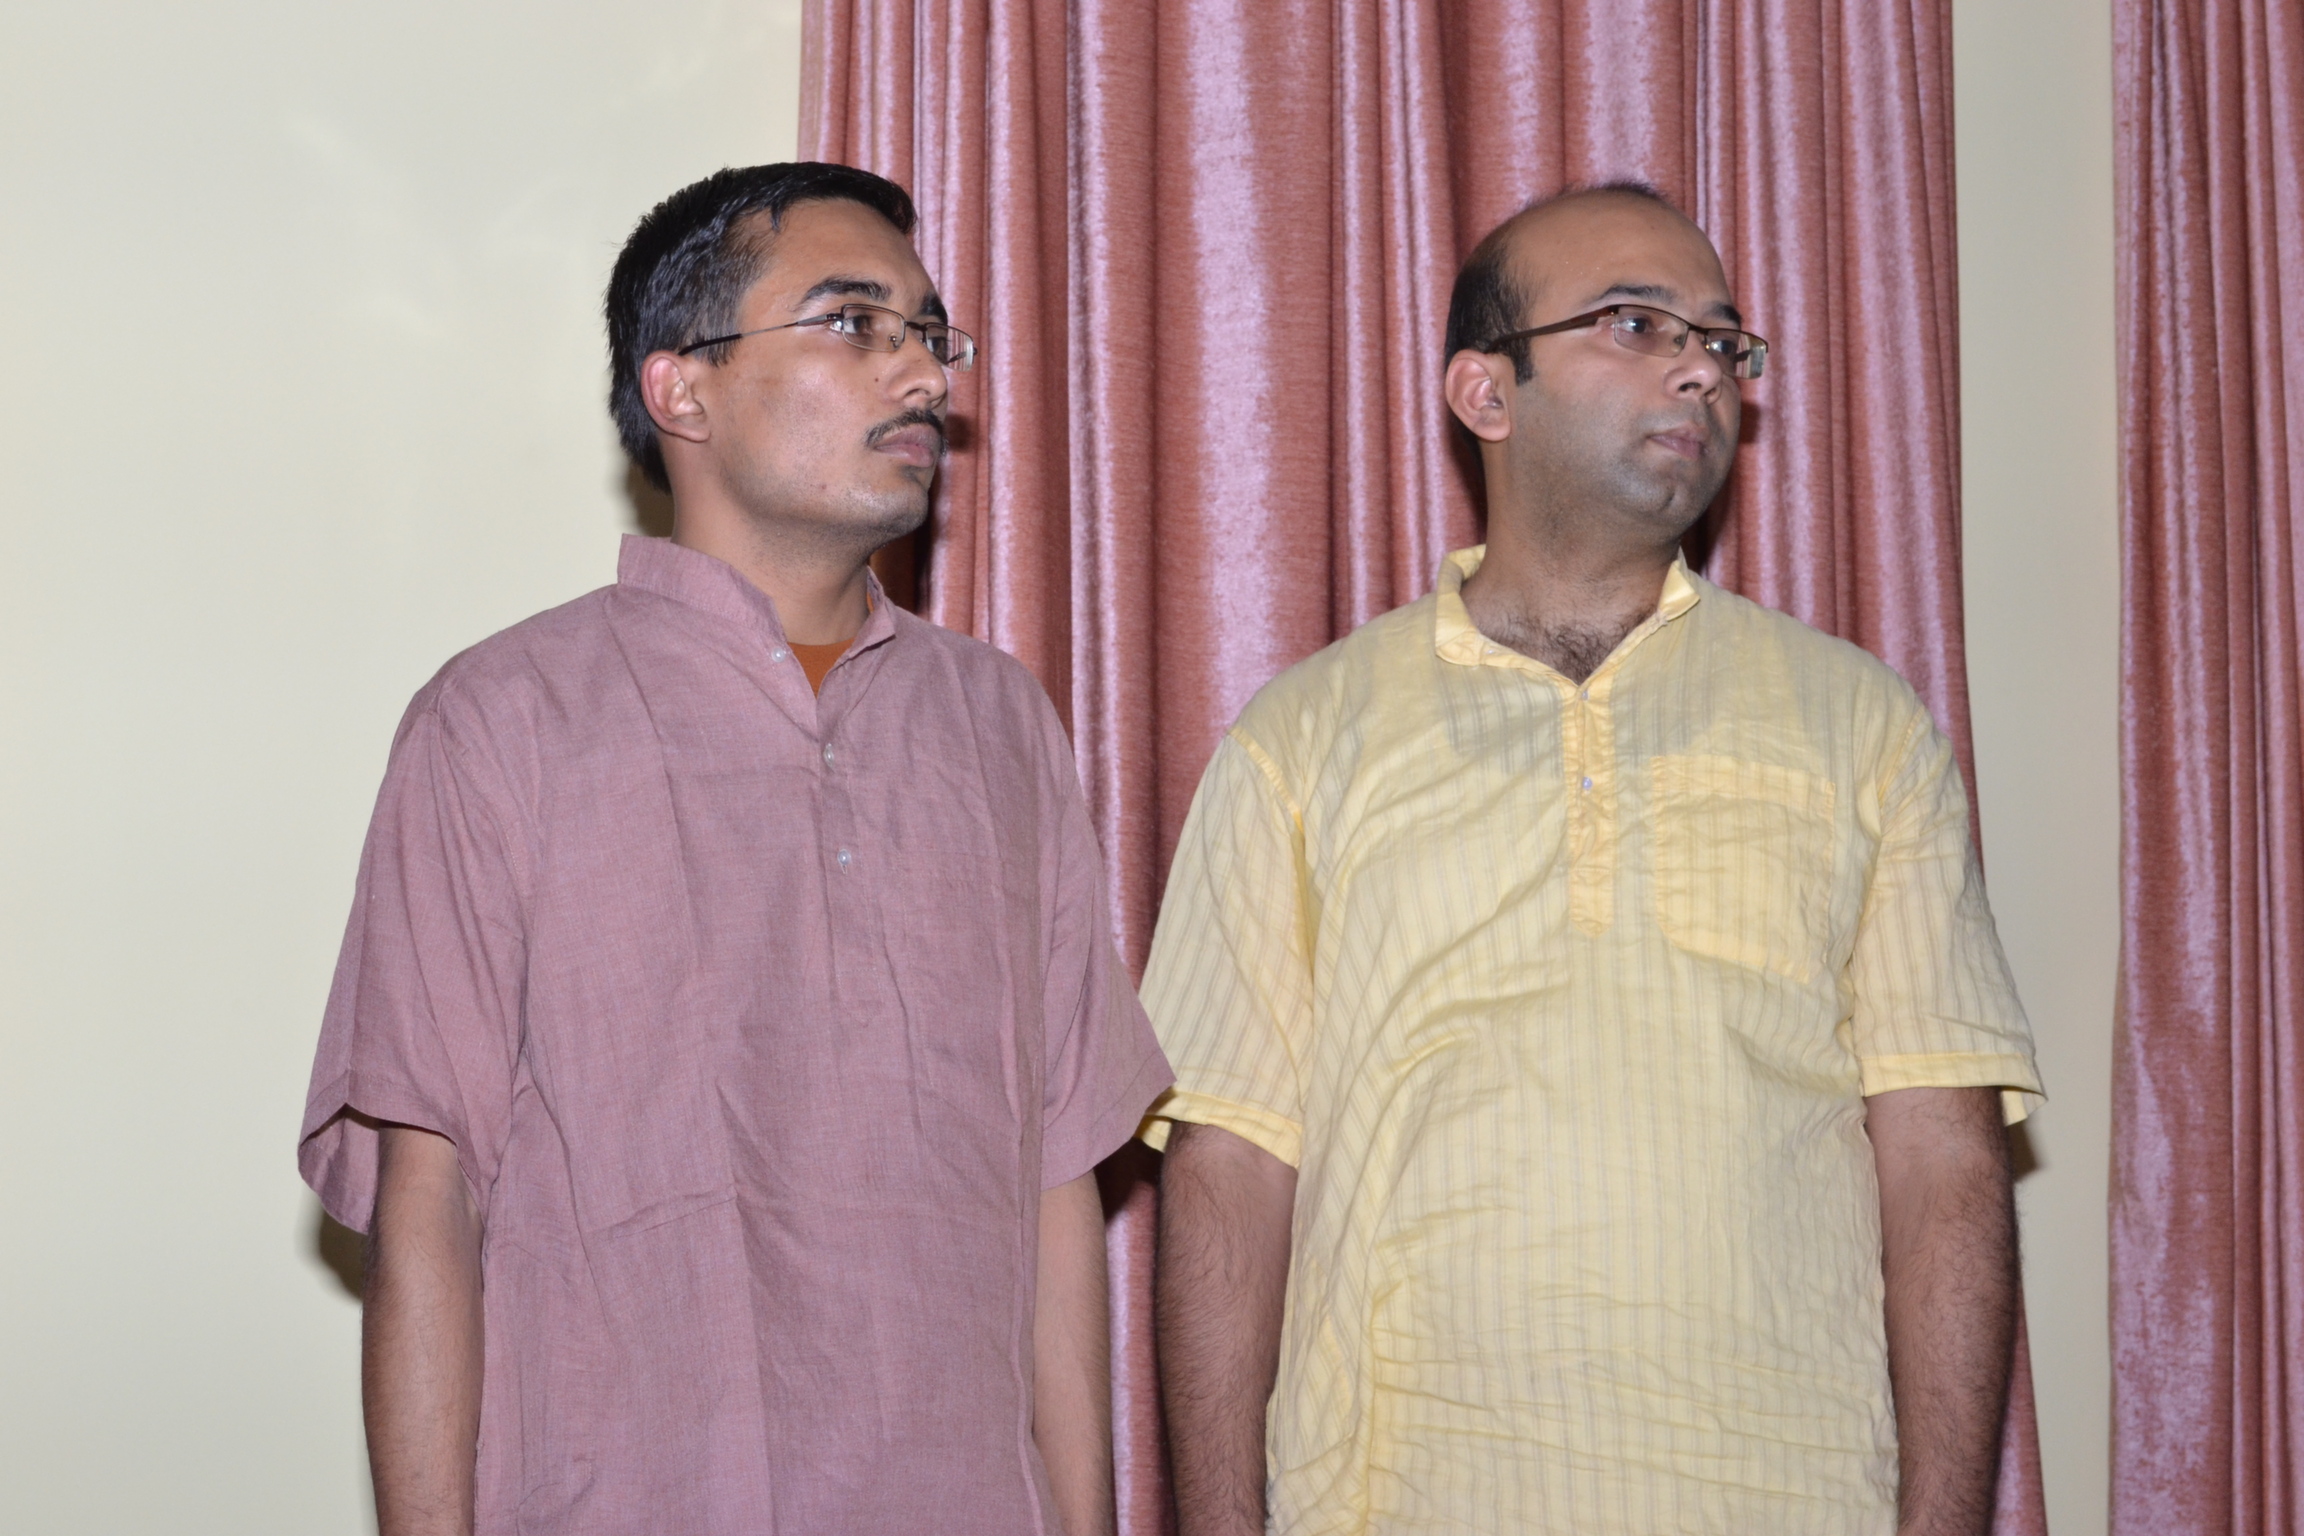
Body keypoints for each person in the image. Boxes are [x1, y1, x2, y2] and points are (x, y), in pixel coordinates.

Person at [1141, 184, 2043, 1536]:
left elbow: (1943, 1163)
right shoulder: (1302, 738)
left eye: (1722, 342)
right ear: (1485, 392)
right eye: (1635, 324)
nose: (1701, 369)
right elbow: (1229, 1173)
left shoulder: (1860, 725)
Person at [298, 162, 1170, 1536]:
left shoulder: (1000, 723)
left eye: (928, 334)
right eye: (853, 322)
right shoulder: (503, 720)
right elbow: (429, 1202)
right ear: (682, 389)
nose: (922, 375)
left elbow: (1057, 1189)